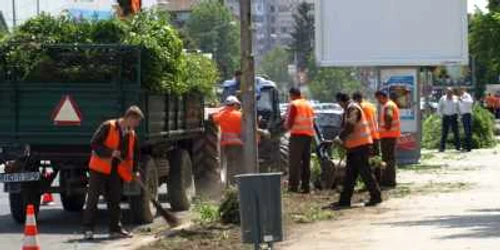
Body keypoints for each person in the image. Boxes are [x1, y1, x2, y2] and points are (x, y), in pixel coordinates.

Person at [83, 106, 144, 240]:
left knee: (115, 199)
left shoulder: (131, 134)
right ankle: (88, 229)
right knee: (93, 199)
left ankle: (115, 229)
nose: (137, 125)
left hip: (115, 171)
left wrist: (135, 171)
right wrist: (110, 152)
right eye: (136, 121)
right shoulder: (108, 126)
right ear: (129, 118)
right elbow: (94, 143)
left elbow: (134, 155)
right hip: (98, 169)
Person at [329, 92, 382, 209]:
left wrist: (340, 137)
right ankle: (344, 200)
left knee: (365, 172)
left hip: (360, 146)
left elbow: (350, 125)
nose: (339, 106)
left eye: (339, 103)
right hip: (355, 147)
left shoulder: (353, 108)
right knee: (350, 174)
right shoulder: (350, 108)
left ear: (341, 101)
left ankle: (376, 196)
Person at [285, 87, 315, 193]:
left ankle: (293, 186)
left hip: (297, 135)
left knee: (294, 162)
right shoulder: (308, 104)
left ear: (292, 95)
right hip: (308, 136)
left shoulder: (294, 104)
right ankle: (306, 186)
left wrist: (285, 127)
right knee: (306, 162)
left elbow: (289, 122)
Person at [212, 96, 244, 186]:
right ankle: (237, 183)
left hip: (227, 145)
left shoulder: (221, 115)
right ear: (234, 105)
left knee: (229, 165)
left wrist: (222, 109)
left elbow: (214, 119)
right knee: (238, 165)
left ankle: (230, 184)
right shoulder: (240, 115)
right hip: (239, 144)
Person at [375, 90, 401, 188]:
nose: (378, 101)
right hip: (390, 136)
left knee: (388, 159)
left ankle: (388, 181)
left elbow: (389, 116)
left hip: (388, 136)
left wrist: (386, 127)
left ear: (382, 96)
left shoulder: (388, 106)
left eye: (378, 99)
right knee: (389, 158)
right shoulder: (391, 104)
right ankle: (389, 180)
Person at [352, 92, 380, 156]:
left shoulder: (360, 107)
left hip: (367, 137)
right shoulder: (371, 105)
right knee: (375, 159)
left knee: (366, 160)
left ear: (356, 99)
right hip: (375, 135)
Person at [437, 87, 460, 152]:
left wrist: (459, 116)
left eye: (451, 92)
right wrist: (442, 116)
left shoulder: (456, 98)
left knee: (456, 132)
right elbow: (439, 108)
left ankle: (458, 147)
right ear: (446, 92)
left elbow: (459, 107)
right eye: (448, 92)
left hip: (454, 116)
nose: (449, 93)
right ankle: (442, 147)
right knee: (444, 133)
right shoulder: (442, 98)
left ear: (452, 92)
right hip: (446, 117)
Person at [458, 87, 473, 152]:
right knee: (466, 132)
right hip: (463, 115)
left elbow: (470, 102)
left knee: (468, 131)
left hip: (467, 115)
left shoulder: (467, 95)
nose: (460, 91)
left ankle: (468, 147)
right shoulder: (460, 97)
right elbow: (459, 107)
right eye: (460, 90)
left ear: (464, 90)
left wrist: (462, 100)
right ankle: (467, 146)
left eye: (461, 90)